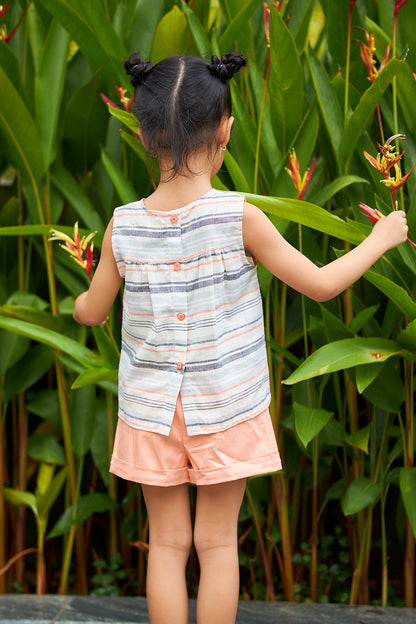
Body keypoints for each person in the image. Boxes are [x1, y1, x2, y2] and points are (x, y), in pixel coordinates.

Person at [73, 52, 408, 624]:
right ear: (227, 128)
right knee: (218, 544)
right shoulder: (240, 216)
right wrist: (382, 239)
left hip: (150, 412)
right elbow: (323, 286)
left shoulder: (121, 225)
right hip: (224, 408)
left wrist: (85, 303)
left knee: (168, 544)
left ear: (144, 134)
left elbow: (92, 311)